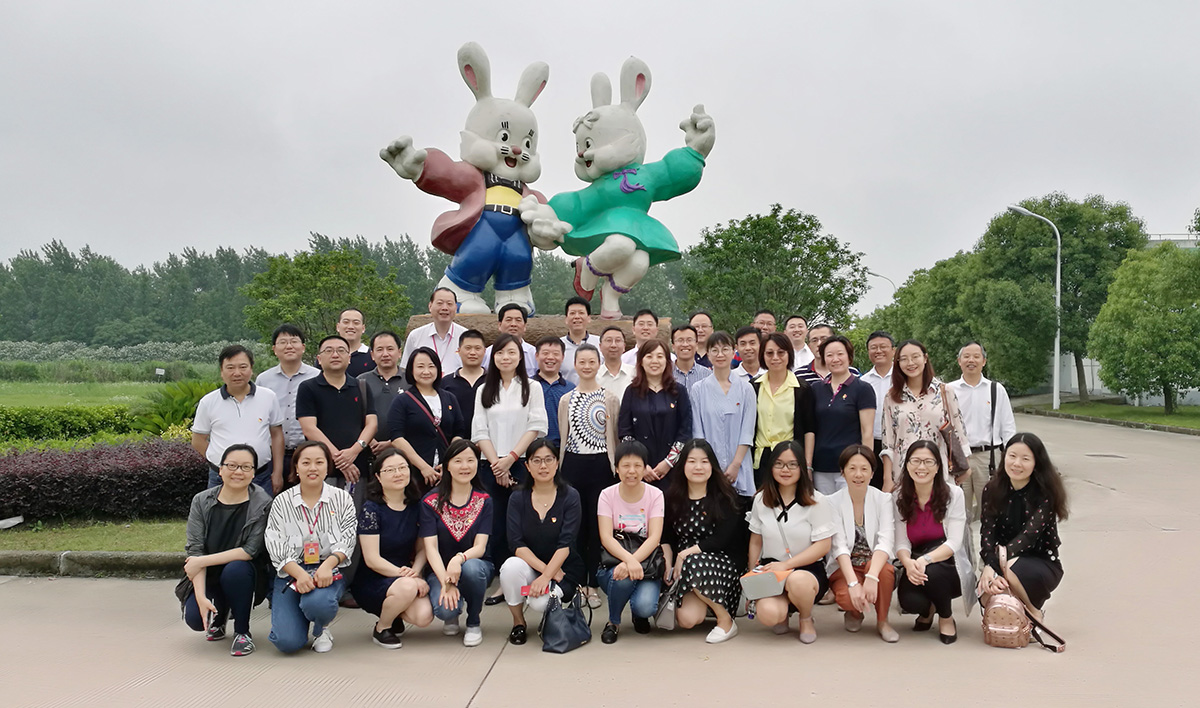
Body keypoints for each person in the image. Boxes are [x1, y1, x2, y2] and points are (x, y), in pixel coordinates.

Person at [180, 444, 273, 656]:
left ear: (253, 473)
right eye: (232, 465)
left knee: (235, 569)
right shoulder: (201, 501)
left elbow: (249, 550)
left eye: (246, 467)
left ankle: (242, 632)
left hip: (244, 574)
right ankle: (220, 616)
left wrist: (200, 561)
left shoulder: (263, 503)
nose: (238, 471)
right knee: (196, 620)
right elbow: (196, 550)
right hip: (209, 573)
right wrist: (201, 596)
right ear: (220, 469)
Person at [265, 441, 357, 654]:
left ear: (327, 467)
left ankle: (320, 628)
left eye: (319, 462)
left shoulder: (342, 498)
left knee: (318, 603)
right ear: (296, 467)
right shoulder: (282, 502)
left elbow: (348, 539)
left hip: (328, 571)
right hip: (291, 572)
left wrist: (328, 565)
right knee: (286, 642)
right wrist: (299, 574)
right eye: (306, 463)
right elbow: (275, 544)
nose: (312, 468)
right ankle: (300, 617)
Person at [473, 333, 548, 591]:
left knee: (521, 522)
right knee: (493, 522)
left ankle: (523, 575)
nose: (505, 357)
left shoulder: (532, 387)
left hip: (522, 463)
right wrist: (497, 464)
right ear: (493, 357)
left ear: (520, 357)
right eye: (500, 353)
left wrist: (511, 459)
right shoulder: (484, 390)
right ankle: (497, 579)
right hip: (490, 464)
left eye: (511, 352)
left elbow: (536, 426)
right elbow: (479, 430)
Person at [746, 440, 834, 643]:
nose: (785, 470)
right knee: (769, 615)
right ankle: (783, 612)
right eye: (779, 464)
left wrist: (786, 565)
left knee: (798, 581)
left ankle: (805, 618)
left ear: (802, 467)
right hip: (772, 569)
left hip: (807, 570)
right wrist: (752, 577)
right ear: (771, 467)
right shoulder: (760, 499)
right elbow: (755, 541)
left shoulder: (817, 500)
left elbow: (823, 545)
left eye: (792, 464)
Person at [500, 438, 585, 645]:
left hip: (564, 569)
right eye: (536, 460)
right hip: (532, 567)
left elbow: (566, 543)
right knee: (510, 567)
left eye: (549, 459)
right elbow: (516, 544)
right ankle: (518, 623)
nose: (543, 466)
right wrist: (546, 573)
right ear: (527, 466)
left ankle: (555, 614)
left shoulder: (570, 496)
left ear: (557, 463)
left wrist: (548, 576)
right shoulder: (517, 498)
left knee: (539, 603)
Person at [977, 432, 1067, 622]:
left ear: (1036, 463)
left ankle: (1034, 614)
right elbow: (987, 534)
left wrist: (995, 568)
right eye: (1012, 456)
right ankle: (1014, 616)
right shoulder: (991, 489)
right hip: (1002, 559)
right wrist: (989, 566)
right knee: (986, 595)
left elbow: (1027, 537)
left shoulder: (1045, 494)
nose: (1017, 463)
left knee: (1011, 570)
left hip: (1039, 560)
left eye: (1025, 459)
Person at [893, 440, 976, 644]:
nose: (921, 467)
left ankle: (946, 617)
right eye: (916, 461)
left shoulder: (953, 494)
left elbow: (954, 543)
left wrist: (925, 560)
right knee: (909, 602)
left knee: (933, 572)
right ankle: (929, 609)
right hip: (916, 561)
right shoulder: (898, 497)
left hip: (949, 564)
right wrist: (908, 564)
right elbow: (901, 542)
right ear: (907, 465)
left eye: (928, 462)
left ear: (938, 467)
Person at [661, 440, 744, 644]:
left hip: (721, 562)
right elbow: (666, 538)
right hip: (686, 568)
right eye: (692, 461)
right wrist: (668, 565)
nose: (698, 467)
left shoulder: (725, 496)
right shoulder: (672, 498)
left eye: (704, 462)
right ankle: (706, 600)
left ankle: (725, 620)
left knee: (693, 562)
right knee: (687, 619)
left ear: (712, 466)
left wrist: (685, 554)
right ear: (683, 466)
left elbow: (721, 540)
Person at [558, 343, 621, 609]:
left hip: (601, 466)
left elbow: (614, 436)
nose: (586, 366)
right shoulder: (566, 399)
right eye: (581, 362)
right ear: (575, 365)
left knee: (597, 527)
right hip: (572, 466)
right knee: (574, 527)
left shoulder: (610, 398)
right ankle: (576, 583)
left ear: (598, 364)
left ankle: (593, 584)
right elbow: (564, 437)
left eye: (591, 362)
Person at [352, 450, 434, 649]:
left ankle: (394, 611)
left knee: (423, 617)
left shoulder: (417, 506)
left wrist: (416, 572)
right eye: (390, 470)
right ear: (378, 477)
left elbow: (423, 549)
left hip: (405, 575)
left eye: (402, 468)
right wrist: (408, 578)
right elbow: (372, 559)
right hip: (373, 577)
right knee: (407, 588)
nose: (398, 473)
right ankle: (383, 627)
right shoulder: (371, 509)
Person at [420, 439, 494, 647]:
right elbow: (430, 549)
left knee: (471, 569)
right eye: (458, 461)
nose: (465, 466)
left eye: (470, 460)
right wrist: (447, 582)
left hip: (475, 565)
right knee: (445, 610)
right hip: (440, 570)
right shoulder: (430, 502)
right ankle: (452, 615)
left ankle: (473, 622)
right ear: (447, 466)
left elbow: (480, 547)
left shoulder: (484, 500)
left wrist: (458, 559)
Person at [824, 445, 898, 643]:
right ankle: (854, 612)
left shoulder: (883, 499)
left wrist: (871, 576)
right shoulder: (832, 501)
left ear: (872, 473)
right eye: (852, 468)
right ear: (843, 472)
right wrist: (853, 584)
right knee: (847, 596)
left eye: (864, 469)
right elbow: (839, 546)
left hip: (874, 564)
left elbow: (886, 541)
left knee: (885, 572)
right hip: (845, 567)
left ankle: (883, 621)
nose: (858, 474)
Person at [596, 440, 665, 644]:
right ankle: (613, 622)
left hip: (647, 564)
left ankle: (638, 613)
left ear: (645, 468)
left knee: (645, 606)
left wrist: (632, 562)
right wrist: (628, 562)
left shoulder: (656, 495)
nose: (632, 471)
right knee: (622, 578)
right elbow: (606, 537)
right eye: (626, 465)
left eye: (637, 465)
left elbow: (654, 537)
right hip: (614, 563)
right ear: (617, 468)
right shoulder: (607, 495)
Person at [192, 344, 284, 494]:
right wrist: (221, 462)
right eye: (230, 368)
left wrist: (278, 472)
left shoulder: (268, 397)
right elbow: (197, 440)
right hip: (221, 479)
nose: (237, 373)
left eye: (243, 367)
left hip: (260, 476)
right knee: (219, 511)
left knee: (262, 510)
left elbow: (277, 435)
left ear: (251, 369)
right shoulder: (208, 402)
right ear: (221, 371)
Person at [880, 339, 969, 492]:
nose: (910, 363)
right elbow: (888, 441)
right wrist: (887, 479)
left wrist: (965, 465)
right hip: (903, 473)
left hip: (939, 470)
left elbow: (959, 431)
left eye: (915, 357)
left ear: (925, 358)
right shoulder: (891, 397)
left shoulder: (945, 391)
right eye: (904, 359)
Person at [947, 342, 1017, 523]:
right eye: (966, 356)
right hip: (958, 458)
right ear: (959, 361)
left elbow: (1008, 427)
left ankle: (990, 541)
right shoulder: (948, 390)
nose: (971, 360)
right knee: (957, 512)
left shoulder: (996, 390)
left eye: (976, 356)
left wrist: (1011, 457)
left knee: (991, 510)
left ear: (984, 361)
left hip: (988, 458)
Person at [296, 335, 378, 488]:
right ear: (319, 359)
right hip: (322, 467)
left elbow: (372, 424)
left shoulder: (361, 386)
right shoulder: (308, 388)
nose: (335, 355)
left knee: (356, 503)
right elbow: (309, 428)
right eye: (329, 351)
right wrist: (340, 459)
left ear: (349, 358)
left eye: (341, 350)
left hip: (357, 467)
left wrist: (354, 451)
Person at [388, 346, 468, 491]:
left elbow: (458, 432)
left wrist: (449, 462)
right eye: (420, 366)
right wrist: (423, 467)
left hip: (446, 473)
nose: (426, 371)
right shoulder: (402, 400)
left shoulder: (449, 398)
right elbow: (397, 438)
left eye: (431, 366)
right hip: (414, 473)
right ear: (411, 370)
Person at [690, 332, 756, 502]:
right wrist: (710, 466)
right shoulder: (698, 389)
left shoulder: (746, 388)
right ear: (708, 354)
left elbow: (747, 431)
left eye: (725, 349)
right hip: (708, 468)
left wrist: (735, 465)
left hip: (739, 466)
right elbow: (698, 433)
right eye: (715, 350)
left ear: (733, 352)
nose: (720, 354)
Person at [619, 339, 692, 489]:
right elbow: (625, 432)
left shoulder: (678, 391)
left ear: (667, 361)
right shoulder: (631, 391)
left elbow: (685, 431)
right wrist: (641, 464)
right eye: (649, 356)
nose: (654, 361)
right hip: (639, 471)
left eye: (660, 356)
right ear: (641, 361)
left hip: (673, 469)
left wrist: (668, 462)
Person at [810, 336, 876, 495]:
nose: (835, 359)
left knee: (849, 507)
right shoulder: (815, 389)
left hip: (850, 466)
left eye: (840, 354)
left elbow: (867, 432)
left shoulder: (863, 389)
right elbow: (811, 429)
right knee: (824, 508)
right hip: (821, 466)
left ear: (849, 356)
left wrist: (865, 465)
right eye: (829, 355)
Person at [257, 324, 320, 485]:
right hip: (272, 456)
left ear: (303, 347)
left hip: (308, 453)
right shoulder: (264, 380)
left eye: (294, 341)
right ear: (274, 349)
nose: (289, 346)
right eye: (283, 342)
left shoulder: (318, 377)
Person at [751, 332, 816, 488]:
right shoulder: (753, 386)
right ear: (762, 356)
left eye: (781, 352)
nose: (775, 357)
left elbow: (809, 430)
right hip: (760, 459)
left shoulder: (802, 388)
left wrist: (807, 465)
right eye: (769, 353)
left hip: (790, 457)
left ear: (789, 354)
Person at [359, 331, 407, 458]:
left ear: (399, 352)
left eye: (390, 349)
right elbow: (353, 417)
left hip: (405, 452)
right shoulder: (361, 381)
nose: (385, 354)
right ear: (372, 355)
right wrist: (369, 440)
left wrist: (392, 443)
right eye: (379, 350)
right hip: (368, 452)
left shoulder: (411, 380)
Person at [859, 330, 895, 489]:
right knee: (874, 489)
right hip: (872, 443)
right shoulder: (863, 382)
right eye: (873, 348)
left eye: (883, 347)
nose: (878, 351)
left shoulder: (904, 377)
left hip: (899, 443)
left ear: (893, 350)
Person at [400, 287, 467, 373]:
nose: (445, 308)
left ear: (455, 308)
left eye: (449, 304)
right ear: (430, 306)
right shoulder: (415, 336)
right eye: (440, 303)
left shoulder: (466, 336)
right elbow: (406, 369)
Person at [533, 337, 575, 446]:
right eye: (545, 353)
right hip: (532, 447)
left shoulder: (571, 389)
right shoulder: (527, 386)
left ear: (562, 357)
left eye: (556, 354)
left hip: (563, 447)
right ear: (536, 356)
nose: (550, 357)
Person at [441, 329, 487, 429]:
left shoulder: (494, 380)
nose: (472, 353)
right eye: (468, 348)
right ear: (459, 351)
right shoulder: (446, 382)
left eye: (477, 348)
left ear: (484, 351)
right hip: (455, 437)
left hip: (488, 436)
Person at [484, 303, 538, 374]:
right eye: (508, 320)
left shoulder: (534, 353)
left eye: (518, 320)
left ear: (525, 326)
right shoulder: (487, 353)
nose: (513, 324)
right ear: (499, 325)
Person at [560, 296, 601, 385]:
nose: (577, 317)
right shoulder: (559, 346)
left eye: (581, 313)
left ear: (589, 318)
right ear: (566, 319)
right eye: (572, 313)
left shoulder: (600, 344)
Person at [671, 325, 713, 392]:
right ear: (673, 346)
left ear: (696, 345)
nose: (685, 344)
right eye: (680, 340)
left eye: (689, 340)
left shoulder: (708, 375)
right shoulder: (665, 374)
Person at [334, 308, 376, 376]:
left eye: (356, 323)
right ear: (338, 327)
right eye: (346, 322)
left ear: (363, 328)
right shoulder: (327, 355)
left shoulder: (373, 357)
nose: (350, 327)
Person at [597, 325, 634, 400]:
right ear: (600, 346)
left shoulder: (635, 373)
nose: (613, 345)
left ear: (624, 346)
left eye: (618, 340)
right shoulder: (594, 375)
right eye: (609, 340)